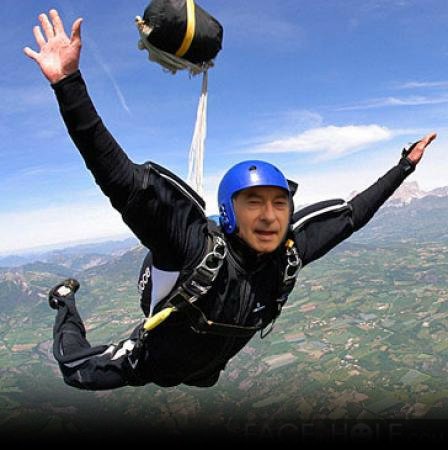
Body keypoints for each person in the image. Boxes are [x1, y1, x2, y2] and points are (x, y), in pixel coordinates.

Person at [24, 10, 436, 390]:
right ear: (228, 212)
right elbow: (120, 180)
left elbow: (352, 215)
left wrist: (404, 166)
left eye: (279, 204)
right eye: (253, 203)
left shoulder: (288, 253)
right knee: (75, 372)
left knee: (203, 378)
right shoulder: (193, 248)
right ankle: (64, 300)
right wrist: (67, 83)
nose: (270, 216)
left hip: (205, 366)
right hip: (153, 360)